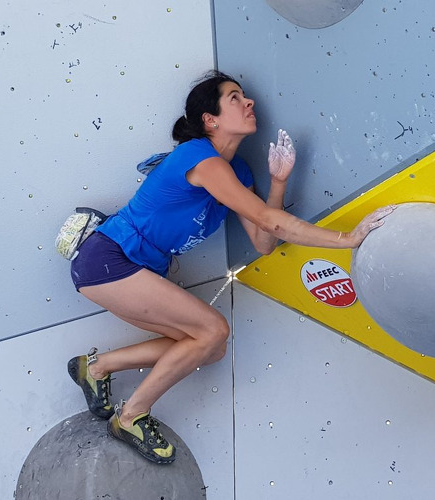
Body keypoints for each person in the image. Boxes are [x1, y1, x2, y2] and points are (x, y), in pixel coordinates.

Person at [67, 70, 395, 464]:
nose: (249, 102)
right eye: (235, 98)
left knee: (210, 347)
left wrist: (277, 182)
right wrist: (349, 239)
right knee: (213, 330)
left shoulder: (238, 173)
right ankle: (131, 417)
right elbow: (272, 223)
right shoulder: (195, 156)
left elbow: (264, 241)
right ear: (211, 120)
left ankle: (97, 366)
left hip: (134, 269)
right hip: (108, 259)